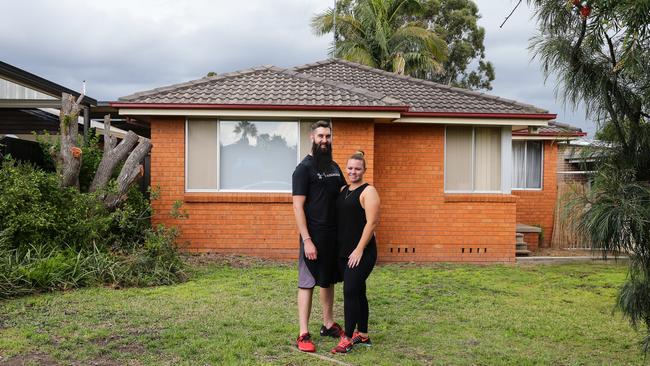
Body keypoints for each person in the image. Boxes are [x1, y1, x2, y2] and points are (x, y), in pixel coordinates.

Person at [292, 120, 346, 353]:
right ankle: (303, 333)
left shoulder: (334, 167)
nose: (325, 140)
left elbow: (345, 193)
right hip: (312, 237)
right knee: (307, 283)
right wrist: (307, 240)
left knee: (328, 280)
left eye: (328, 136)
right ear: (312, 138)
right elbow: (297, 207)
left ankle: (327, 323)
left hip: (332, 237)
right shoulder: (303, 169)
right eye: (320, 136)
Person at [331, 151, 380, 354]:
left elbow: (372, 222)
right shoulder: (343, 189)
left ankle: (348, 338)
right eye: (350, 168)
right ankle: (364, 334)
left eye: (357, 168)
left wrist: (359, 250)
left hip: (362, 252)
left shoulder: (369, 191)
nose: (353, 171)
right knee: (358, 292)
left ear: (364, 170)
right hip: (344, 252)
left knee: (350, 291)